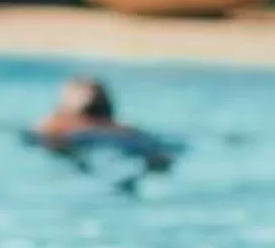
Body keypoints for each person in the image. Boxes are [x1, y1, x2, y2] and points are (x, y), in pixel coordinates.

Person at [28, 76, 176, 186]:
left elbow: (42, 136)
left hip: (90, 144)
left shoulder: (57, 124)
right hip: (129, 145)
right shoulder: (125, 128)